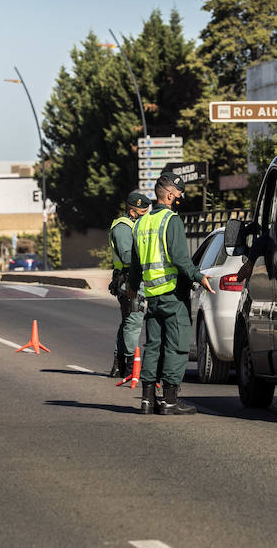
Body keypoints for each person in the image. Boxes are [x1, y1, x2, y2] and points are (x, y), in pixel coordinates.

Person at [129, 173, 213, 415]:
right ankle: (170, 400)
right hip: (173, 295)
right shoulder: (171, 220)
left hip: (152, 295)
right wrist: (199, 277)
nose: (179, 198)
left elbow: (135, 263)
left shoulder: (141, 222)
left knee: (153, 345)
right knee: (176, 346)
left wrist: (133, 286)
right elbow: (179, 258)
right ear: (168, 194)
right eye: (178, 194)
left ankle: (147, 399)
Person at [108, 191, 150, 377]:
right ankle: (131, 366)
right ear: (132, 212)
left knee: (127, 322)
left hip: (128, 278)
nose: (145, 216)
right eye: (142, 213)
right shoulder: (124, 227)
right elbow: (127, 256)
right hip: (129, 279)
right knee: (133, 321)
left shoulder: (130, 225)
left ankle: (120, 366)